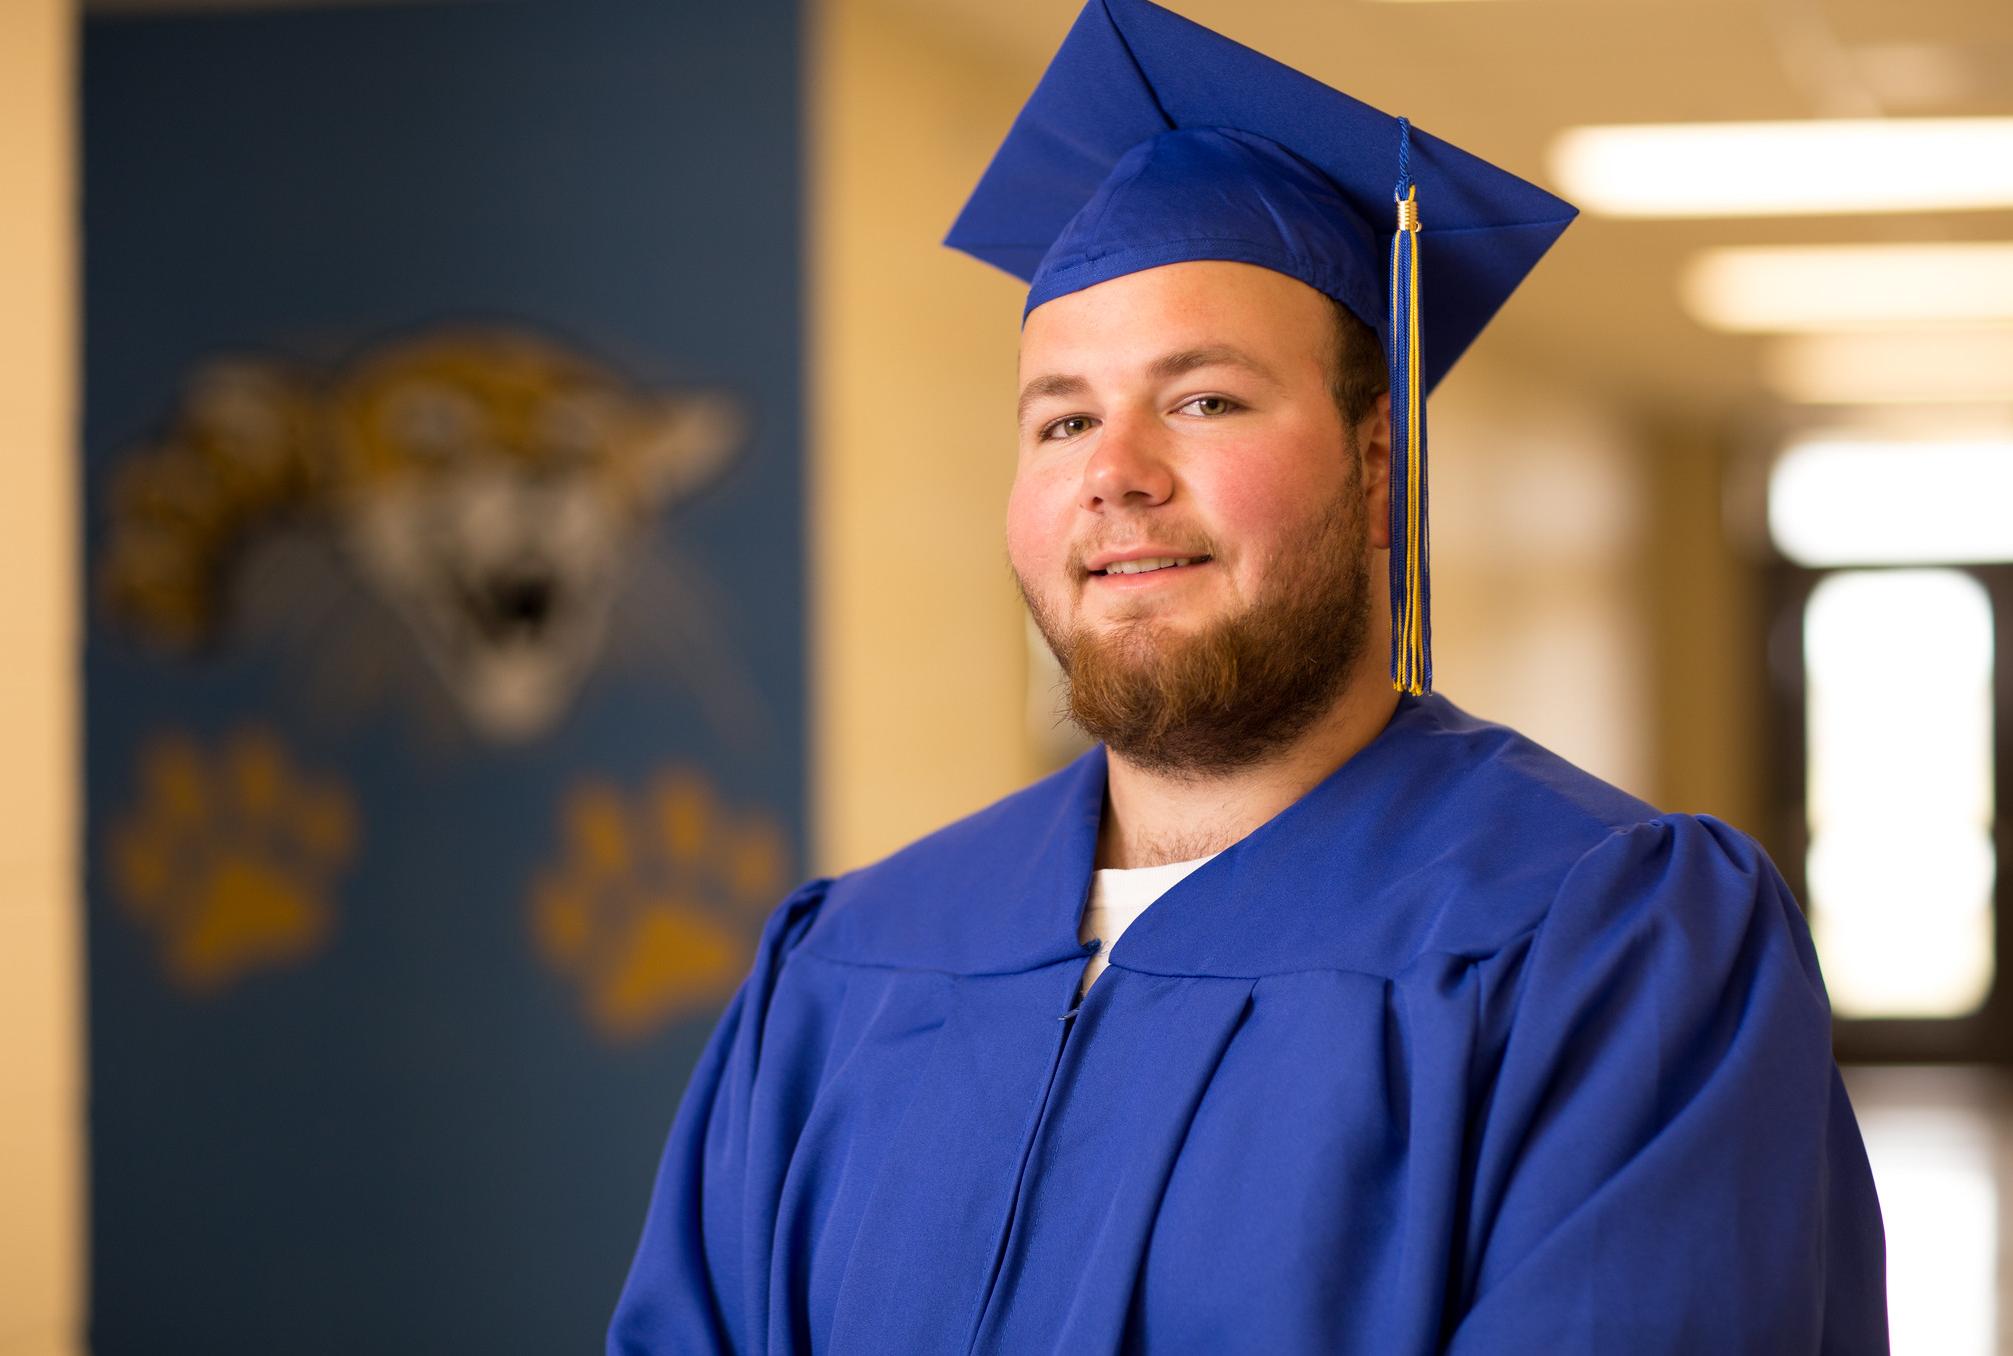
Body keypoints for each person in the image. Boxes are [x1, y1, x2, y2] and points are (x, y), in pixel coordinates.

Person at [608, 0, 1889, 1350]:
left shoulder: (1613, 949)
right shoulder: (848, 965)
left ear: (1379, 467)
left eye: (1204, 398)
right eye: (1061, 418)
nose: (1115, 473)